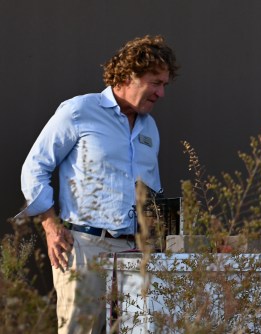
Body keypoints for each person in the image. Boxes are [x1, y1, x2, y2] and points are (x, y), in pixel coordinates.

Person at [19, 35, 178, 333]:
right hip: (85, 247)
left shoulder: (149, 127)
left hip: (137, 252)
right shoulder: (79, 111)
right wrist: (50, 226)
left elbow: (152, 192)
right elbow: (35, 168)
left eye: (164, 85)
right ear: (129, 74)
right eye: (155, 83)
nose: (161, 93)